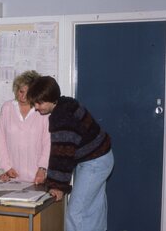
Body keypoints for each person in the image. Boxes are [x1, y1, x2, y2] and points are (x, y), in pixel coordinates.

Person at [26, 76, 114, 231]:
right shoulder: (66, 103)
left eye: (39, 103)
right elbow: (65, 152)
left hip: (95, 162)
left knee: (75, 213)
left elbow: (62, 156)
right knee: (93, 211)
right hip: (100, 157)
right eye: (34, 103)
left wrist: (57, 186)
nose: (36, 107)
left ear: (52, 99)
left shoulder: (61, 118)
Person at [0, 70, 51, 184]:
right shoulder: (7, 108)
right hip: (12, 175)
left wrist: (42, 168)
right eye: (21, 91)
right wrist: (6, 167)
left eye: (28, 92)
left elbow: (47, 143)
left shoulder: (42, 111)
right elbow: (1, 140)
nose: (23, 96)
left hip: (38, 176)